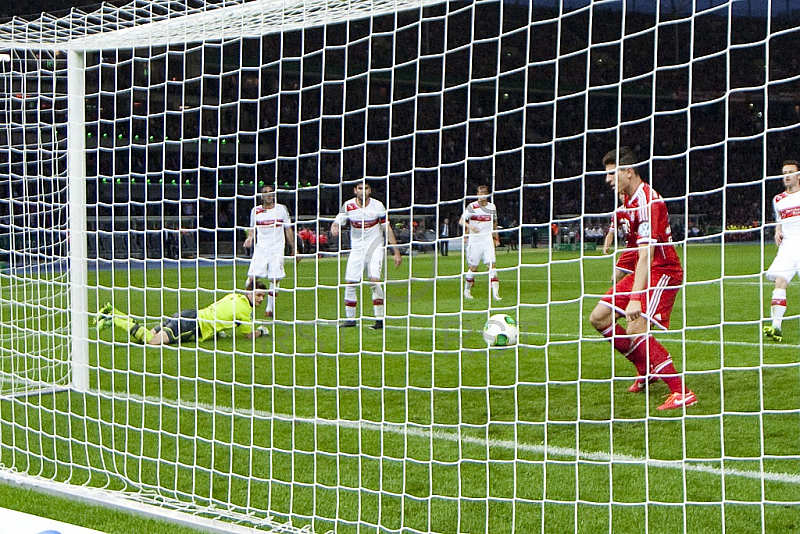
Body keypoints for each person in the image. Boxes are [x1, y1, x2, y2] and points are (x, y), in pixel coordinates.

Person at [588, 147, 696, 411]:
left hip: (663, 271)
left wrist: (635, 298)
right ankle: (645, 369)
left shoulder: (648, 201)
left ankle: (681, 391)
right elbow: (634, 246)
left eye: (612, 174)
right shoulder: (627, 201)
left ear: (629, 171)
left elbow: (647, 253)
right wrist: (619, 272)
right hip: (642, 271)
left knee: (636, 327)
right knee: (599, 317)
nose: (608, 180)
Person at [94, 282, 270, 346]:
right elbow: (248, 336)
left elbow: (221, 313)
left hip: (188, 313)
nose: (261, 299)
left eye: (263, 295)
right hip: (192, 325)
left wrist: (217, 331)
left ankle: (112, 311)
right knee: (151, 341)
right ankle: (114, 319)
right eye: (258, 295)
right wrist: (261, 331)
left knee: (147, 335)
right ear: (249, 293)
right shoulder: (245, 310)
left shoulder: (235, 296)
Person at [331, 181, 402, 330]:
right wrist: (334, 227)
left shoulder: (378, 206)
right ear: (355, 190)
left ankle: (379, 320)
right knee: (350, 282)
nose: (363, 191)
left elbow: (387, 228)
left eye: (366, 188)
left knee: (374, 281)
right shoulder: (348, 206)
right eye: (360, 188)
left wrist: (396, 252)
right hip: (356, 249)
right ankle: (351, 319)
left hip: (375, 247)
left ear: (370, 190)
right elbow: (337, 221)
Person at [243, 185, 297, 319]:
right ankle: (246, 306)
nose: (268, 195)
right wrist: (249, 238)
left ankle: (269, 308)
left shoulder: (281, 209)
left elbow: (288, 230)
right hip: (261, 249)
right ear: (261, 196)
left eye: (271, 192)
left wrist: (294, 248)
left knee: (275, 277)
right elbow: (252, 229)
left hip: (277, 249)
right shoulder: (255, 211)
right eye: (265, 193)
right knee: (252, 280)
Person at [764, 159, 800, 342]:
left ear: (798, 175)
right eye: (784, 172)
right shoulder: (778, 199)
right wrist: (778, 230)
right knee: (780, 281)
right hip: (787, 248)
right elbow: (779, 219)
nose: (786, 175)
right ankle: (776, 326)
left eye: (790, 172)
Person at [460, 185, 501, 301]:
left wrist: (496, 238)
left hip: (487, 240)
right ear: (477, 194)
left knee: (491, 266)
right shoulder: (472, 206)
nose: (483, 195)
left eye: (485, 193)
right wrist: (471, 227)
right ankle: (467, 290)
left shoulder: (492, 207)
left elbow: (494, 223)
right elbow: (462, 221)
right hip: (475, 241)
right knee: (473, 267)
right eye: (480, 193)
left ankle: (496, 294)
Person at [604, 196, 638, 285]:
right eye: (621, 194)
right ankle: (620, 297)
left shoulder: (639, 208)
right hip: (630, 248)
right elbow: (611, 232)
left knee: (643, 279)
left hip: (644, 247)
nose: (623, 196)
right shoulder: (618, 212)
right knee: (614, 278)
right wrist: (607, 245)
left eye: (624, 194)